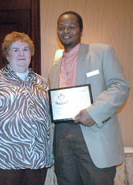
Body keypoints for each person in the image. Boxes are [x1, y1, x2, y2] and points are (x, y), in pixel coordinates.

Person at [49, 11, 130, 185]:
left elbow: (120, 86)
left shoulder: (102, 52)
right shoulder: (55, 66)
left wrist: (93, 113)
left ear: (81, 30)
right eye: (61, 27)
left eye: (72, 27)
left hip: (94, 132)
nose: (66, 31)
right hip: (62, 136)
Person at [0, 31, 52, 185]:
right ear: (7, 55)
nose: (21, 53)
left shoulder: (41, 82)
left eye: (25, 49)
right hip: (3, 160)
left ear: (31, 53)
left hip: (36, 161)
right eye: (15, 50)